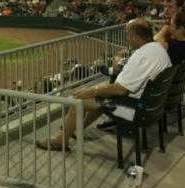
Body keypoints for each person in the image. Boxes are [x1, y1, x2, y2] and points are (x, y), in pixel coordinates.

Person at [35, 18, 171, 151]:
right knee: (100, 98)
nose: (127, 38)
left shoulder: (143, 55)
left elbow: (120, 90)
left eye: (127, 35)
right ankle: (76, 130)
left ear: (136, 37)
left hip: (134, 110)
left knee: (78, 101)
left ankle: (60, 141)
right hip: (152, 106)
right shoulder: (159, 48)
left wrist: (93, 90)